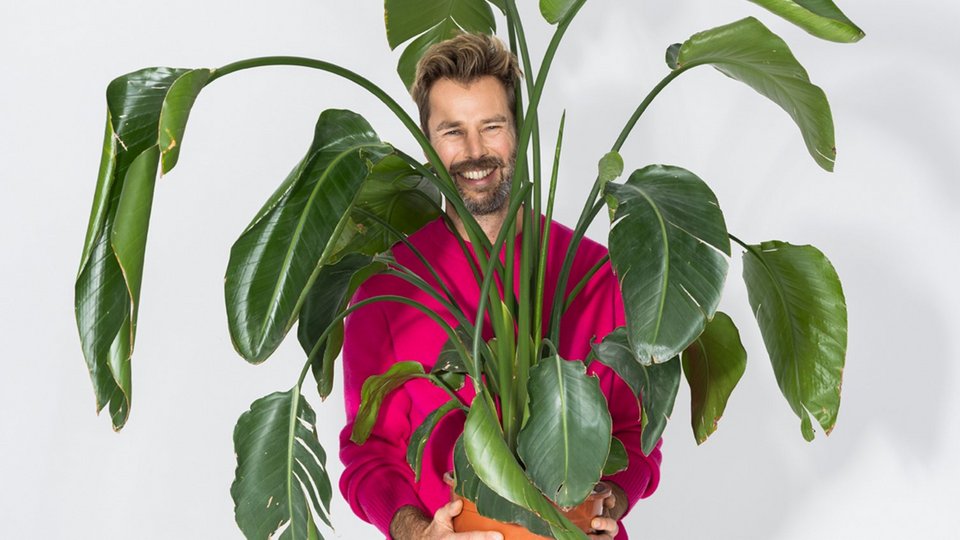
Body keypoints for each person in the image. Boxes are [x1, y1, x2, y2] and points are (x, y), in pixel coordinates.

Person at [338, 33, 661, 539]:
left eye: (491, 127)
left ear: (518, 133)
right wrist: (417, 533)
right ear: (427, 144)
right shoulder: (388, 289)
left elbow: (637, 433)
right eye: (452, 131)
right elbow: (369, 456)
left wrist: (612, 501)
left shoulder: (597, 272)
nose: (475, 152)